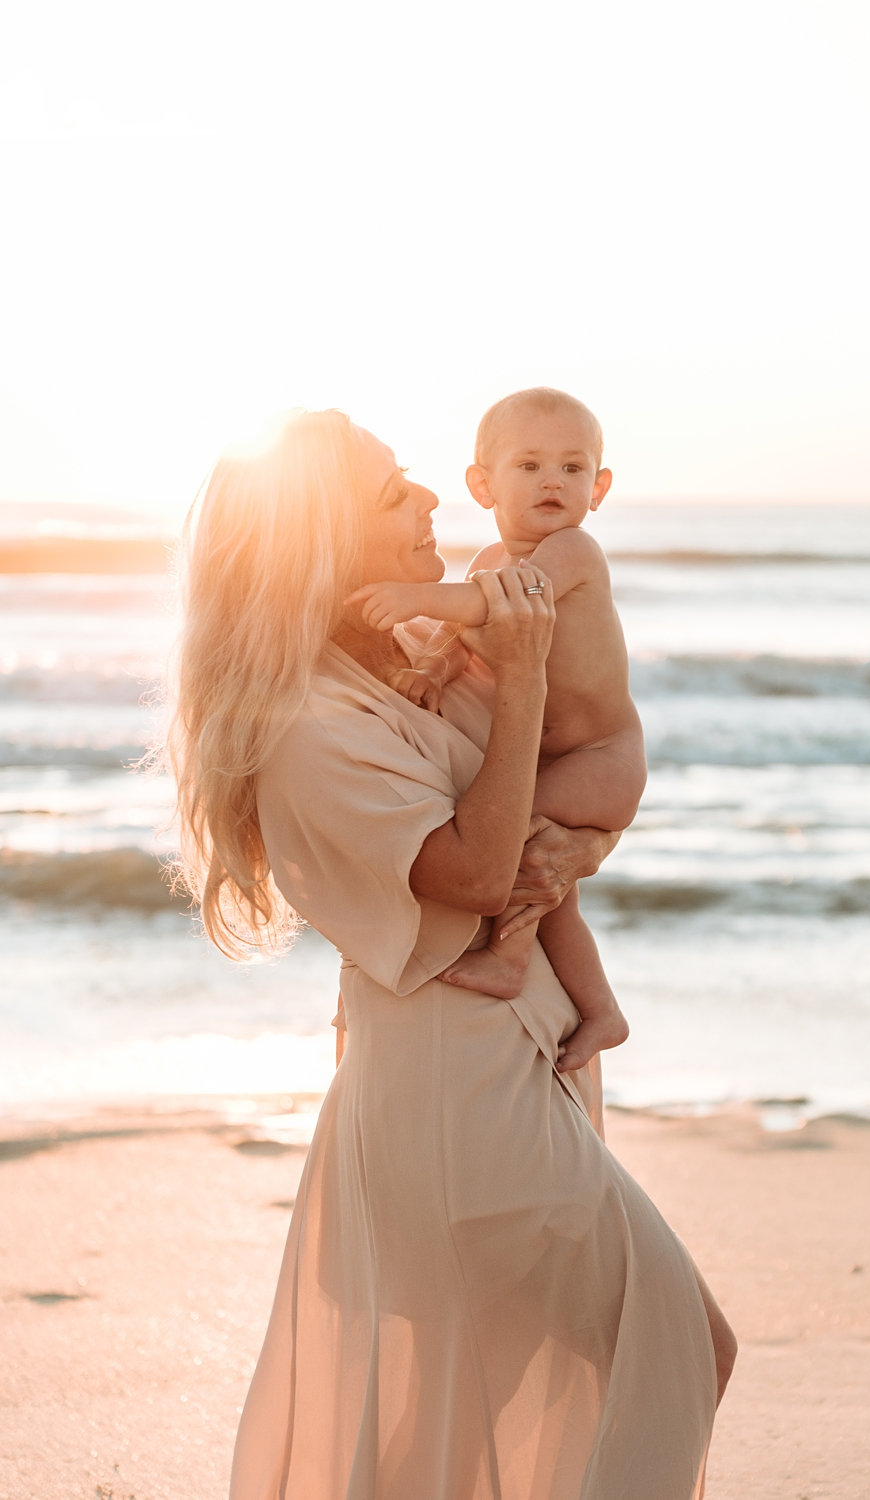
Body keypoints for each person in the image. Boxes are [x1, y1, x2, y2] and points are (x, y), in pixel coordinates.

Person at [168, 409, 735, 1500]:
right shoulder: (305, 722)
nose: (431, 500)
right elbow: (475, 874)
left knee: (486, 1410)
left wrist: (570, 795)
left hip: (511, 1051)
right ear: (324, 543)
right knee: (680, 1350)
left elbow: (546, 796)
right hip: (453, 1082)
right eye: (393, 493)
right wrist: (521, 676)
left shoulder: (398, 665)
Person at [350, 388, 640, 1073]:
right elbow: (469, 631)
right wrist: (434, 665)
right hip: (559, 759)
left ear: (597, 488)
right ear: (482, 485)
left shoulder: (572, 552)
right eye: (529, 465)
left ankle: (508, 961)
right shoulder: (485, 565)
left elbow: (502, 607)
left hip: (602, 757)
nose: (551, 481)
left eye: (572, 469)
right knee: (549, 884)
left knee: (517, 846)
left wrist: (415, 598)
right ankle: (601, 1009)